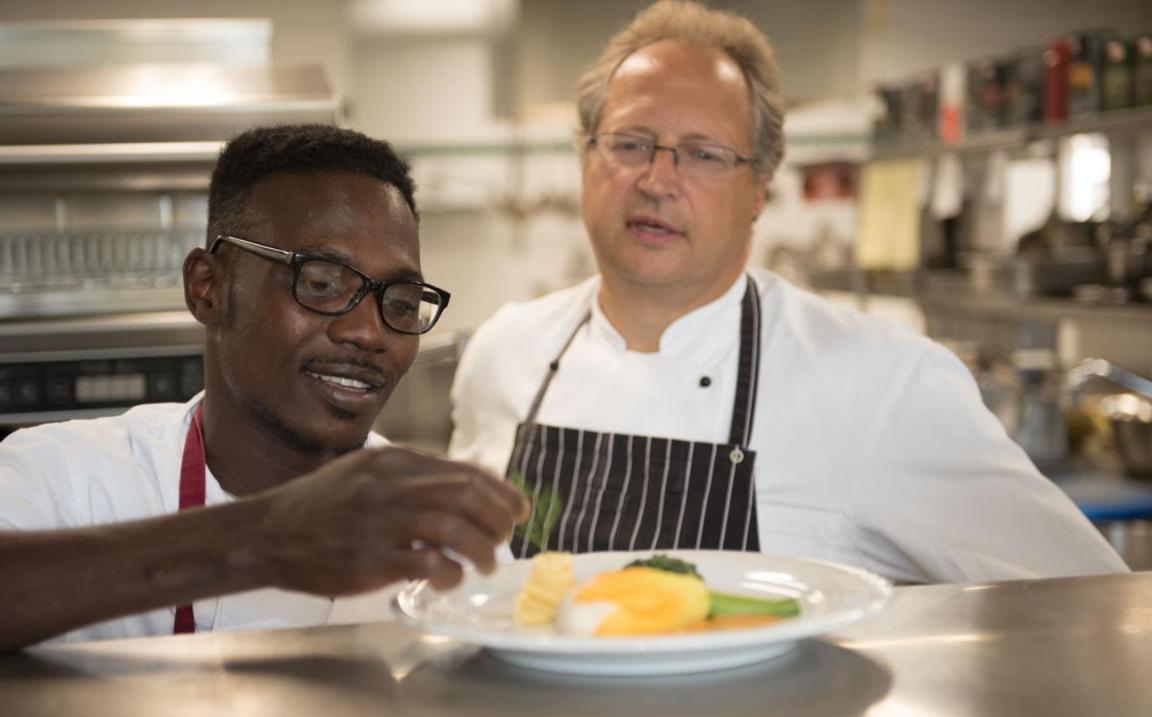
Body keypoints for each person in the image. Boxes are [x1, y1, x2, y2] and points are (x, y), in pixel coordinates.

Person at [448, 1, 1126, 583]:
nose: (657, 178)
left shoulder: (881, 384)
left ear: (759, 192)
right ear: (585, 157)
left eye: (704, 153)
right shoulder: (506, 352)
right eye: (630, 143)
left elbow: (1092, 600)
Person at [0, 125, 527, 659]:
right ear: (209, 289)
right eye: (322, 283)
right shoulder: (67, 478)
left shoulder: (442, 531)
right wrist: (255, 541)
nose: (368, 332)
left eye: (399, 304)